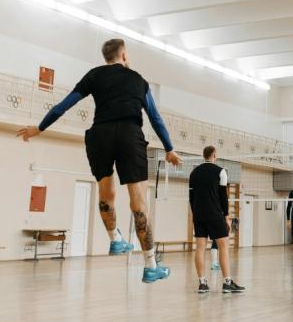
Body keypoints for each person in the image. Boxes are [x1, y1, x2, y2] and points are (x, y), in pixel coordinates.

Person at [16, 38, 181, 284]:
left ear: (106, 56)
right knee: (138, 204)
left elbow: (64, 105)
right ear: (123, 55)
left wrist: (39, 128)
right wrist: (169, 148)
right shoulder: (138, 80)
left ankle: (115, 240)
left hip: (99, 135)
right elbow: (155, 118)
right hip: (129, 134)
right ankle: (150, 266)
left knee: (106, 192)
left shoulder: (94, 75)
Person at [189, 146, 245, 293]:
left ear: (203, 155)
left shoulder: (194, 173)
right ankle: (227, 282)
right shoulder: (221, 172)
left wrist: (195, 215)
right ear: (214, 155)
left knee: (200, 249)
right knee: (223, 247)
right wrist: (227, 216)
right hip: (215, 215)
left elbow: (191, 198)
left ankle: (202, 283)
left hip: (199, 215)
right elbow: (223, 197)